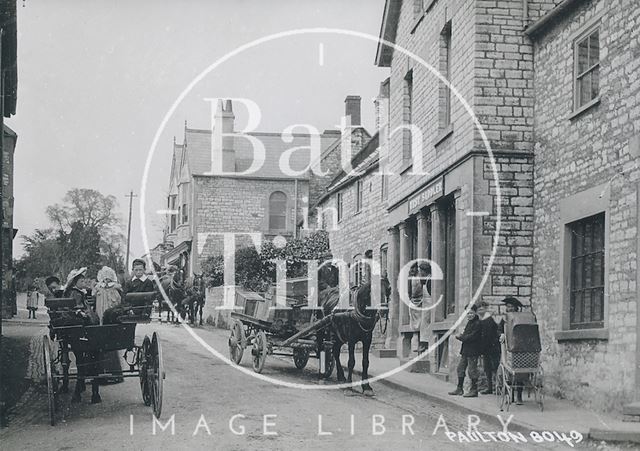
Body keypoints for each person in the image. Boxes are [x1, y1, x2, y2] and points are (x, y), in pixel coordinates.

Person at [63, 268, 102, 404]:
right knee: (92, 356)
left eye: (85, 280)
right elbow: (75, 307)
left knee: (82, 358)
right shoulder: (74, 293)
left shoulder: (78, 292)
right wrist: (82, 312)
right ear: (75, 282)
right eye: (81, 280)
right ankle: (94, 392)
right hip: (80, 324)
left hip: (83, 325)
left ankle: (81, 390)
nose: (84, 282)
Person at [449, 304, 482, 397]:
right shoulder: (469, 323)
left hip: (473, 351)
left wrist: (461, 337)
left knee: (472, 370)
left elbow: (473, 336)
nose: (469, 315)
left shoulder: (478, 324)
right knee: (460, 368)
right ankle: (459, 388)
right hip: (466, 351)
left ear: (475, 313)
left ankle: (474, 390)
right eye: (467, 313)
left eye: (471, 313)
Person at [498, 296, 525, 404]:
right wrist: (501, 334)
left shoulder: (522, 317)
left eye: (511, 307)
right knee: (506, 371)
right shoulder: (504, 318)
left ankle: (519, 395)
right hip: (507, 347)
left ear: (516, 308)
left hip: (520, 347)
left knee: (519, 372)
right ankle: (510, 395)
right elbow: (499, 329)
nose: (509, 309)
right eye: (508, 307)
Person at [477, 301, 500, 395]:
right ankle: (490, 387)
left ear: (486, 309)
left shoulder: (489, 320)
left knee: (495, 367)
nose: (480, 310)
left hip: (492, 347)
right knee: (487, 368)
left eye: (482, 308)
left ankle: (497, 387)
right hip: (486, 348)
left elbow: (488, 336)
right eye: (478, 309)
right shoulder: (481, 320)